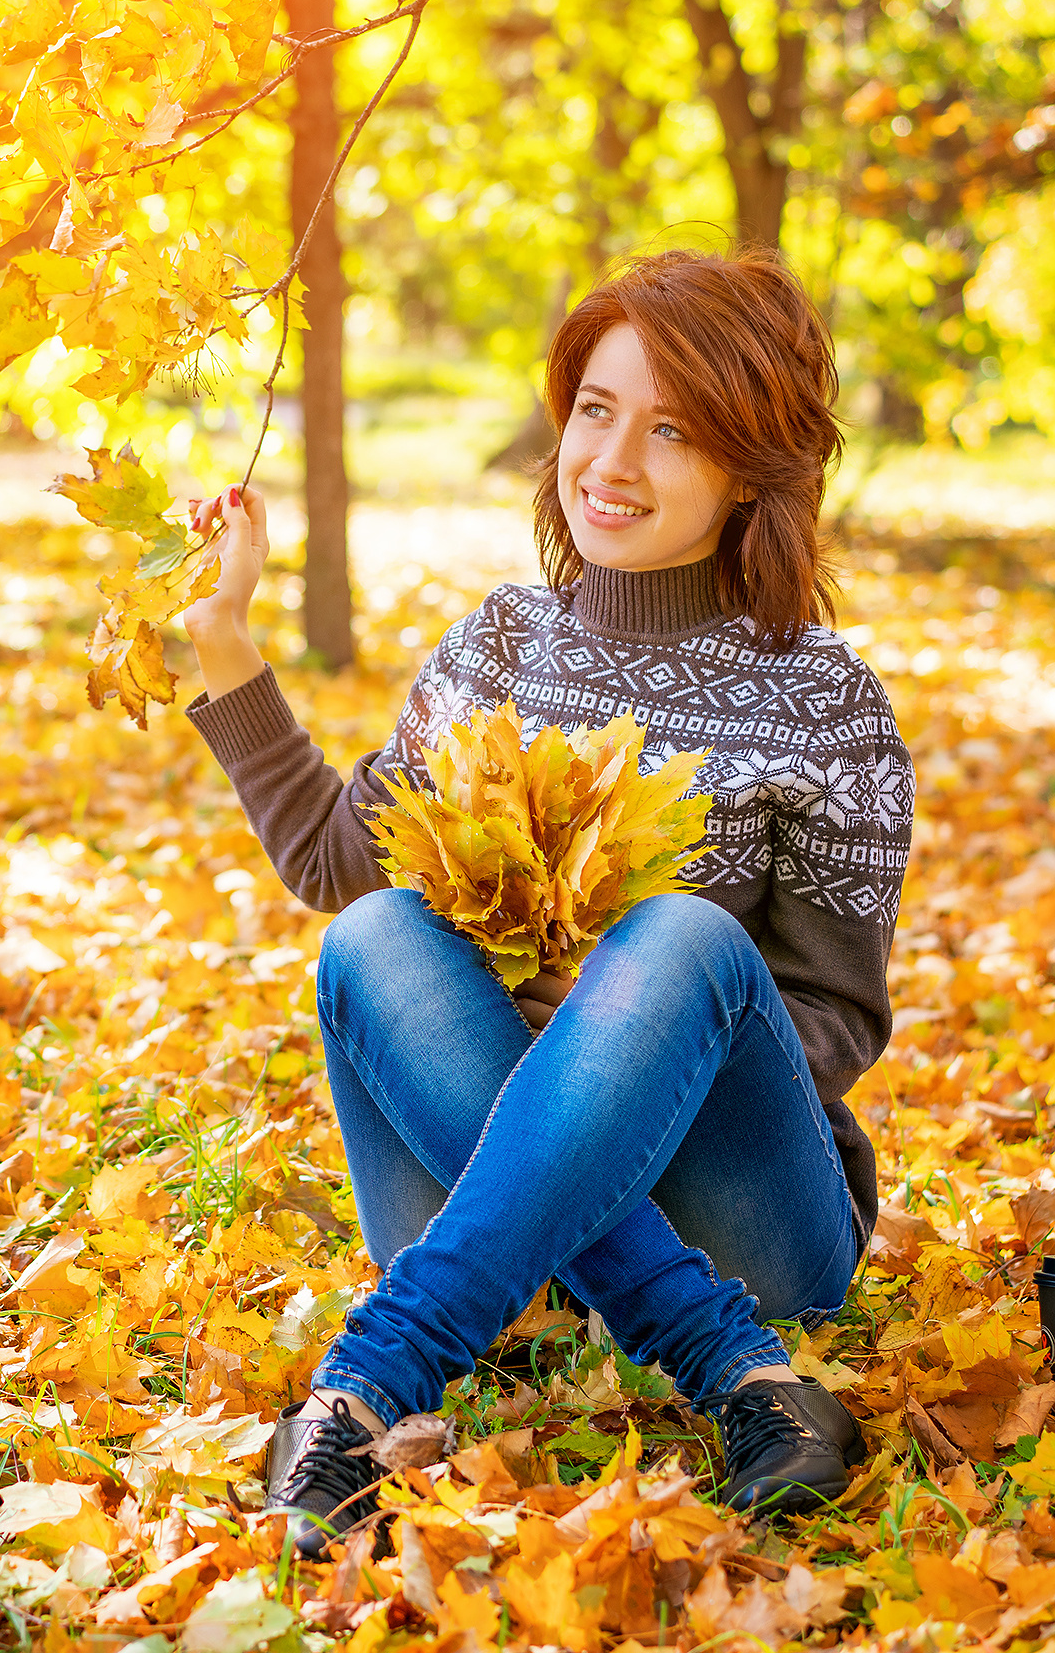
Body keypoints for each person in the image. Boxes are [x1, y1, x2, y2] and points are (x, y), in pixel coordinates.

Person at [183, 246, 914, 1552]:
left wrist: (629, 1029)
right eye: (595, 409)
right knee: (374, 930)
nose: (612, 462)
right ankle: (734, 1372)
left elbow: (838, 1020)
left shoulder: (827, 702)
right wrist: (224, 637)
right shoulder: (499, 647)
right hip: (489, 1192)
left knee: (680, 939)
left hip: (745, 1218)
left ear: (751, 466)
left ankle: (374, 1378)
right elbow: (338, 861)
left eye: (672, 429)